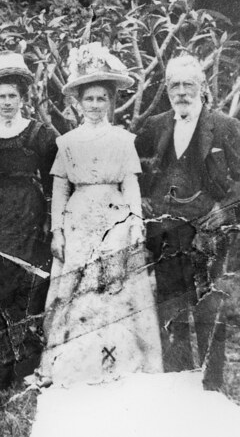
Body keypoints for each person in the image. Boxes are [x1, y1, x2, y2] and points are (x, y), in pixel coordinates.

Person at [39, 43, 162, 385]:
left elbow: (130, 183)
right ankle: (72, 363)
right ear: (78, 103)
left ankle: (121, 360)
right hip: (79, 221)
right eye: (89, 99)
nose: (94, 105)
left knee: (116, 288)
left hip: (114, 219)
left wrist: (135, 222)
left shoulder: (123, 139)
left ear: (111, 101)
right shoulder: (67, 142)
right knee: (76, 288)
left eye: (101, 99)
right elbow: (60, 189)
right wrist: (58, 231)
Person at [136, 53, 240, 391]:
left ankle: (211, 386)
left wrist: (225, 208)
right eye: (174, 85)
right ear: (166, 89)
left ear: (202, 86)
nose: (181, 92)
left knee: (209, 307)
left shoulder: (223, 126)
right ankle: (180, 385)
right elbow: (136, 171)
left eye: (188, 84)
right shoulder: (155, 126)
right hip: (165, 231)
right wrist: (143, 198)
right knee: (172, 309)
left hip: (207, 232)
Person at [0, 51, 58, 386]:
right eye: (1, 97)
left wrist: (48, 220)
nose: (6, 102)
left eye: (12, 96)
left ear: (22, 99)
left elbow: (53, 182)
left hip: (28, 217)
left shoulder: (40, 135)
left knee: (25, 288)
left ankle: (24, 368)